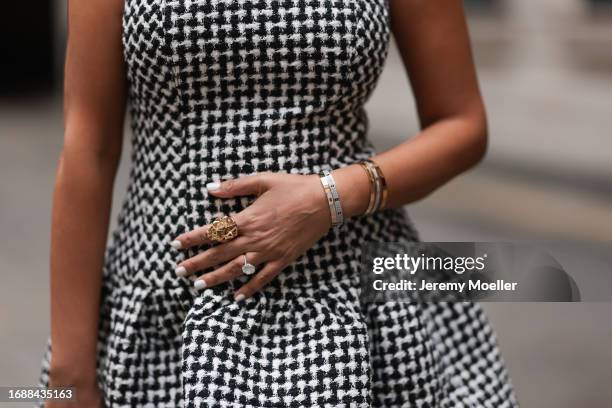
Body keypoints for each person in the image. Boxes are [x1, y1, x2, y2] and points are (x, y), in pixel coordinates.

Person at [38, 0, 518, 406]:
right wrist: (68, 373)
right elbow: (89, 150)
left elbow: (463, 124)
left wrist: (330, 195)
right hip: (167, 309)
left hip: (356, 300)